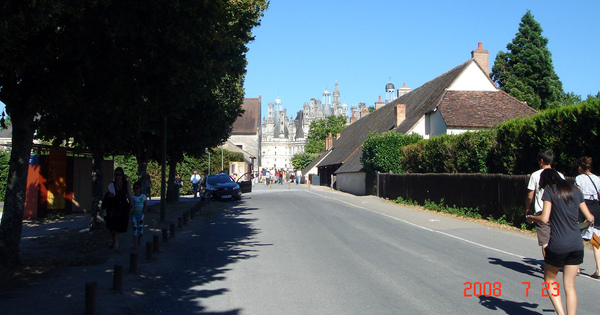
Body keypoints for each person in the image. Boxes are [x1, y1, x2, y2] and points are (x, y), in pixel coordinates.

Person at [526, 169, 594, 315]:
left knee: (550, 280)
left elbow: (544, 218)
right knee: (570, 286)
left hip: (558, 244)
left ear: (547, 181)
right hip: (576, 244)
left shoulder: (550, 191)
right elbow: (590, 218)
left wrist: (532, 218)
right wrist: (582, 225)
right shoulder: (575, 192)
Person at [526, 149, 563, 263]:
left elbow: (530, 195)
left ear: (541, 161)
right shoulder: (560, 175)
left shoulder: (535, 175)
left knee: (545, 239)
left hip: (541, 210)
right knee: (557, 235)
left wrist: (528, 208)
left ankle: (549, 262)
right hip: (557, 210)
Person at [574, 156, 600, 278]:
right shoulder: (597, 178)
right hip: (596, 207)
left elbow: (577, 194)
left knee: (578, 236)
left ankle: (576, 266)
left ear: (580, 167)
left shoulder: (579, 178)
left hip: (584, 206)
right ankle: (599, 269)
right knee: (596, 240)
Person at [104, 167, 133, 252]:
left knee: (120, 226)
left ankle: (117, 243)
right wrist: (109, 196)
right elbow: (108, 195)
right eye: (116, 174)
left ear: (122, 175)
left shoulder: (126, 184)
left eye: (120, 174)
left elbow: (129, 195)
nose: (118, 176)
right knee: (112, 227)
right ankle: (114, 241)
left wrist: (132, 205)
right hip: (112, 207)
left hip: (123, 206)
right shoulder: (111, 185)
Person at [130, 181, 147, 251]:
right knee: (134, 229)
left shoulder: (143, 197)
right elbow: (130, 205)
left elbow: (145, 205)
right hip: (134, 215)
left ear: (140, 189)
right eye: (134, 188)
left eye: (137, 188)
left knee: (140, 229)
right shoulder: (132, 197)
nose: (135, 190)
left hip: (141, 215)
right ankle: (135, 244)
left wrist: (144, 209)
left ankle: (139, 239)